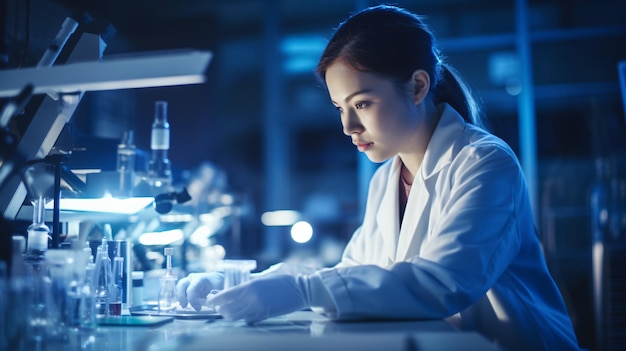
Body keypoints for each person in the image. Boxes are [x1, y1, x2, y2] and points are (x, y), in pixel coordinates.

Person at [176, 5, 581, 351]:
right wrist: (238, 283)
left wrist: (300, 291)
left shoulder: (484, 162)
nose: (348, 125)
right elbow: (351, 271)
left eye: (363, 103)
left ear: (418, 86)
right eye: (339, 107)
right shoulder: (387, 178)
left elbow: (441, 283)